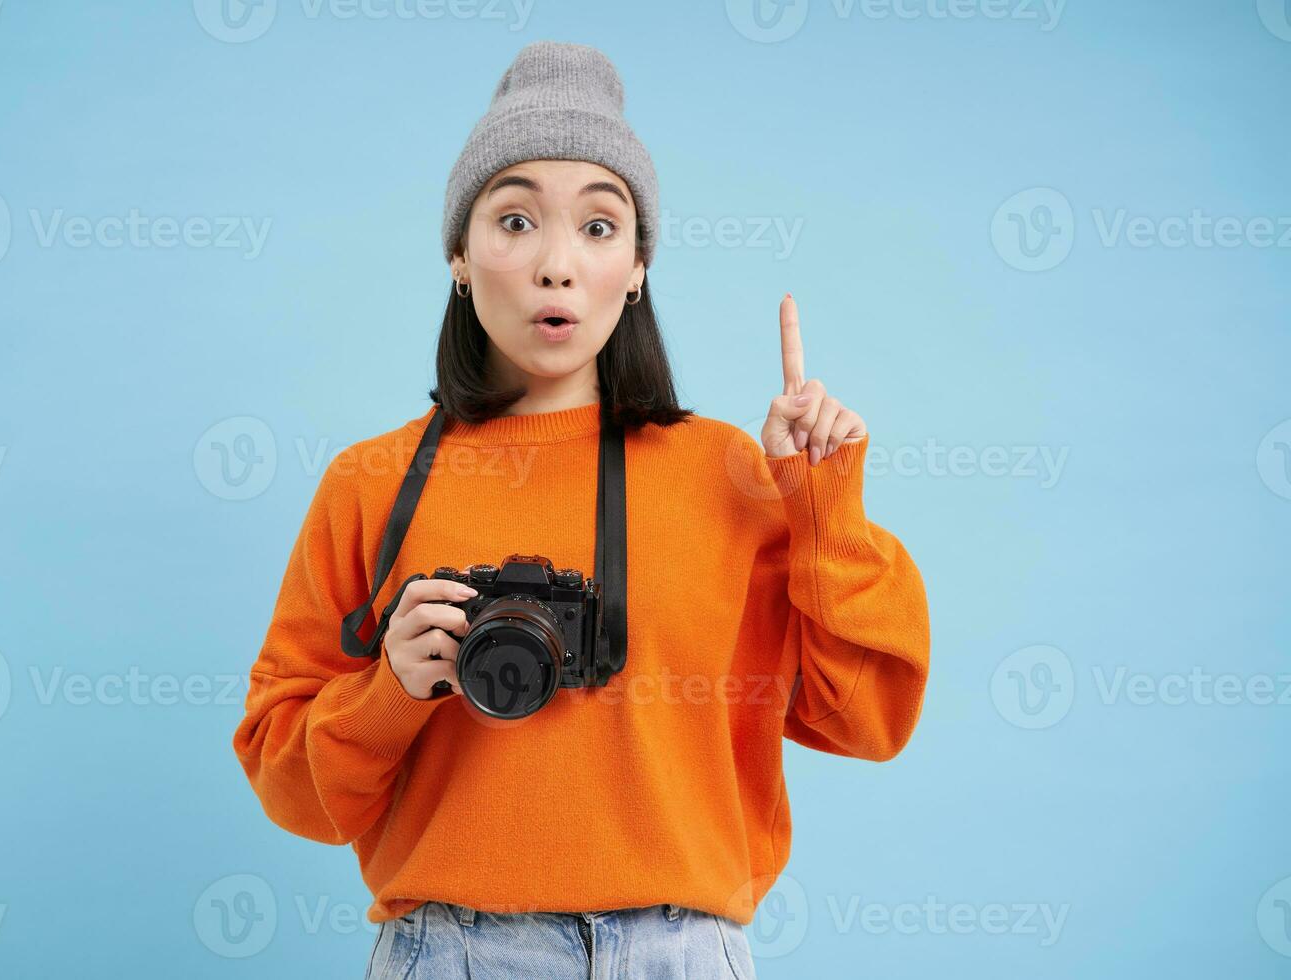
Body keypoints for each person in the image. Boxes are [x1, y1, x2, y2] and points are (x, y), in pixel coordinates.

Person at [231, 39, 930, 980]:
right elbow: (296, 797)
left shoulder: (726, 473)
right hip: (452, 953)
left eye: (599, 229)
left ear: (638, 266)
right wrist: (391, 690)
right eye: (514, 220)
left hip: (683, 952)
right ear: (459, 256)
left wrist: (824, 508)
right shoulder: (374, 483)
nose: (556, 264)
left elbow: (870, 722)